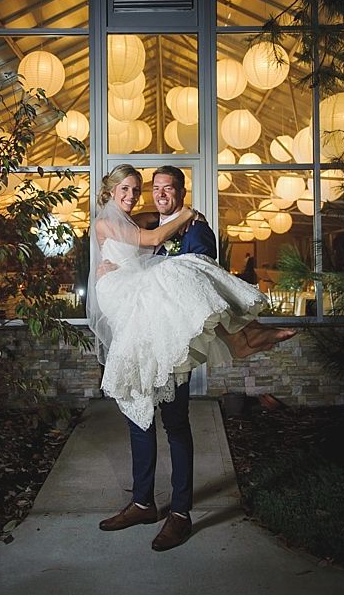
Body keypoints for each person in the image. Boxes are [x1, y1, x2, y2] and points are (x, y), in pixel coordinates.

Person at [89, 164, 295, 551]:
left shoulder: (195, 228)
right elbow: (145, 242)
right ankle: (142, 502)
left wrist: (183, 222)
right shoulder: (138, 224)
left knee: (175, 422)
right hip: (137, 331)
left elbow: (200, 280)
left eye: (166, 188)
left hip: (169, 345)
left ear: (182, 192)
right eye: (149, 189)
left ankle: (180, 513)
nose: (152, 195)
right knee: (139, 420)